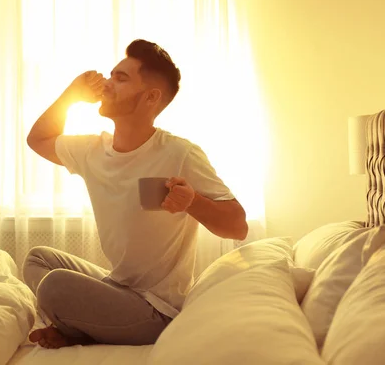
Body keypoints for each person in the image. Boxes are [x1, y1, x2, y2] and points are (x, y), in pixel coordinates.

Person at [24, 39, 248, 349]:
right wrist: (70, 96)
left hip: (157, 310)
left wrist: (193, 202)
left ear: (151, 97)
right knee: (39, 259)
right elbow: (38, 139)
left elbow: (238, 226)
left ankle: (76, 330)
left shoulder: (179, 153)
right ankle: (80, 328)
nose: (107, 84)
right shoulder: (91, 150)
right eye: (112, 74)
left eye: (121, 78)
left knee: (54, 287)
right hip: (119, 287)